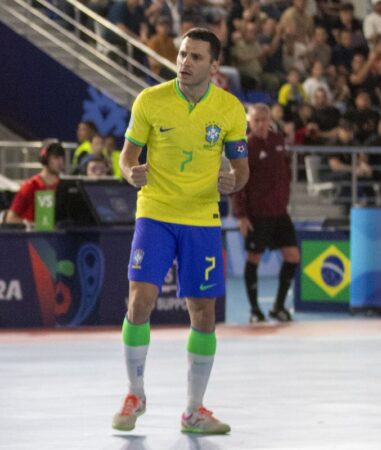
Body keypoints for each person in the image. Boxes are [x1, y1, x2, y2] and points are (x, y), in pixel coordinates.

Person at [112, 28, 249, 435]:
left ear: (214, 65)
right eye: (183, 54)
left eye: (196, 57)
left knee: (202, 312)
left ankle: (194, 412)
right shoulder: (150, 101)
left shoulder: (229, 109)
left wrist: (234, 182)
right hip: (155, 212)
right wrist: (129, 173)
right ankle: (135, 393)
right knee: (140, 301)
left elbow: (241, 169)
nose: (185, 62)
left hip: (202, 218)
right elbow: (125, 158)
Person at [232, 104, 299, 323]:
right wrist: (241, 215)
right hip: (257, 214)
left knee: (292, 256)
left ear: (270, 119)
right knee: (254, 258)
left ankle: (278, 306)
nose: (261, 124)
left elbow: (285, 173)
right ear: (249, 122)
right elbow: (238, 183)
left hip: (280, 212)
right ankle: (255, 310)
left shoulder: (278, 141)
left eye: (264, 119)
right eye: (256, 120)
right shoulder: (245, 146)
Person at [5, 141, 65, 225]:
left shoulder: (63, 186)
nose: (60, 162)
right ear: (45, 159)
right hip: (33, 237)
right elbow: (10, 219)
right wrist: (35, 225)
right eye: (56, 157)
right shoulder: (30, 186)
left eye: (61, 158)